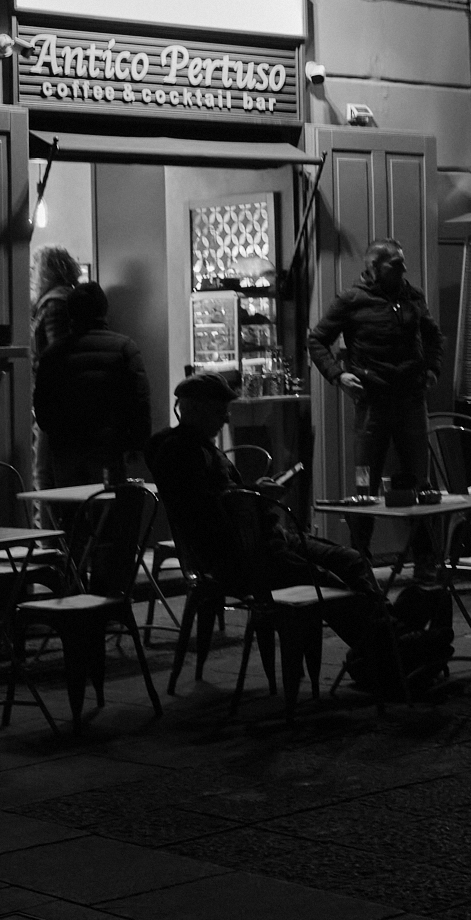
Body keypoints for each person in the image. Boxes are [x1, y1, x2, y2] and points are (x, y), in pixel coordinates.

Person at [146, 371, 385, 655]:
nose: (226, 419)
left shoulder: (198, 447)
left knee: (351, 560)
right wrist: (256, 497)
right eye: (220, 411)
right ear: (195, 410)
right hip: (244, 555)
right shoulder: (181, 454)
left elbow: (224, 498)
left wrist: (253, 492)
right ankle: (383, 651)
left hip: (266, 540)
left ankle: (391, 636)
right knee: (331, 585)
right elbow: (209, 513)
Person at [307, 239, 443, 501]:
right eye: (396, 264)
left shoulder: (412, 297)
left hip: (412, 401)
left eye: (403, 263)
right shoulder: (352, 300)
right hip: (372, 404)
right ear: (373, 266)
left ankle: (422, 541)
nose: (403, 269)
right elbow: (317, 340)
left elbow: (433, 337)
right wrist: (338, 376)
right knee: (364, 486)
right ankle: (360, 541)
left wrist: (432, 369)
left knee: (422, 484)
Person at [33, 282, 151, 486]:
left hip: (66, 449)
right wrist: (136, 443)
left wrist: (55, 435)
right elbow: (139, 401)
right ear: (104, 311)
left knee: (72, 509)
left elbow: (43, 404)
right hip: (109, 448)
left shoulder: (53, 355)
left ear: (71, 313)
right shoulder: (124, 348)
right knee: (107, 508)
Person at [29, 247, 83, 488]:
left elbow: (56, 354)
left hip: (54, 401)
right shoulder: (73, 299)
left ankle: (52, 526)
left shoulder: (54, 305)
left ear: (46, 273)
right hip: (68, 402)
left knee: (43, 473)